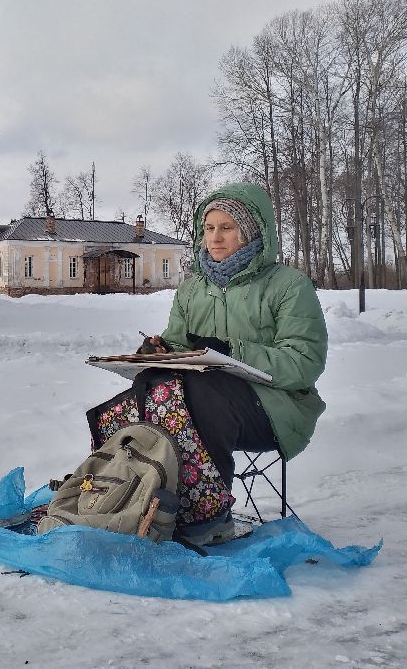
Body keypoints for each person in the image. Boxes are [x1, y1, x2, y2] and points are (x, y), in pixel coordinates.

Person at [137, 182, 328, 545]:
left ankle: (210, 516)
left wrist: (231, 351)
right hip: (207, 402)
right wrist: (158, 352)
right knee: (149, 385)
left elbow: (304, 363)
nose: (215, 237)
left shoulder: (289, 286)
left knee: (203, 392)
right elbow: (179, 345)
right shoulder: (192, 289)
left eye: (227, 228)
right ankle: (143, 500)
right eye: (209, 228)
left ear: (252, 231)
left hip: (276, 408)